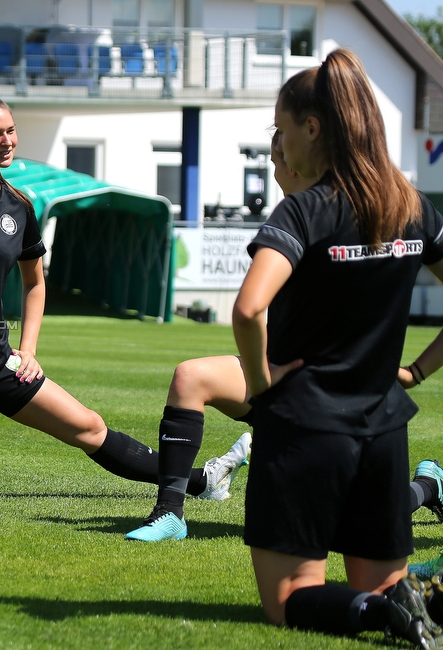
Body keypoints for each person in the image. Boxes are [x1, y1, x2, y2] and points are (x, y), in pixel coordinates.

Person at [0, 89, 247, 508]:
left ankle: (203, 481)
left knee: (89, 427)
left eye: (11, 131)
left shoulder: (18, 207)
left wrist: (30, 349)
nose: (7, 141)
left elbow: (36, 284)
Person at [233, 48, 443, 647]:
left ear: (313, 127)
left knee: (288, 600)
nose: (279, 142)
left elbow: (248, 309)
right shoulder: (410, 205)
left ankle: (389, 615)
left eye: (280, 127)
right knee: (386, 587)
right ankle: (404, 610)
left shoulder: (303, 211)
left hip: (305, 427)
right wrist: (419, 371)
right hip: (383, 429)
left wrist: (260, 383)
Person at [122, 134, 317, 542]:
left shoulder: (336, 217)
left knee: (349, 520)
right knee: (191, 376)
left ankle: (427, 487)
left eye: (277, 153)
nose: (273, 163)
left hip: (324, 391)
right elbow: (257, 313)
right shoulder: (289, 214)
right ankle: (170, 514)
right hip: (275, 379)